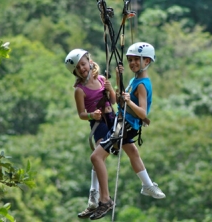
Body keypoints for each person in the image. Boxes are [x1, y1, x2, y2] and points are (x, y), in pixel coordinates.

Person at [89, 42, 166, 220]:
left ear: (147, 61)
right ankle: (147, 185)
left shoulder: (141, 85)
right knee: (133, 153)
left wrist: (129, 102)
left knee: (96, 157)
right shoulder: (134, 80)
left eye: (136, 60)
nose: (132, 63)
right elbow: (119, 102)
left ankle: (103, 198)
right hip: (124, 123)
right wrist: (116, 82)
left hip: (126, 126)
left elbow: (143, 113)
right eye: (130, 60)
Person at [64, 49, 116, 219]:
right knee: (97, 158)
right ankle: (97, 198)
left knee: (97, 158)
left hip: (112, 121)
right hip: (98, 125)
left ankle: (97, 198)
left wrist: (110, 89)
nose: (82, 68)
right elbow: (81, 114)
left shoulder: (101, 80)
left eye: (83, 64)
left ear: (89, 61)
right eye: (78, 68)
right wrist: (92, 115)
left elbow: (113, 101)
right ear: (75, 72)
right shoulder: (79, 90)